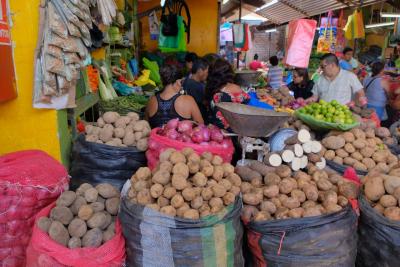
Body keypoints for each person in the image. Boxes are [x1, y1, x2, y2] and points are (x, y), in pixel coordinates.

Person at [206, 59, 250, 130]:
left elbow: (219, 122)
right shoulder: (239, 89)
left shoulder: (217, 95)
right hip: (241, 132)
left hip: (221, 135)